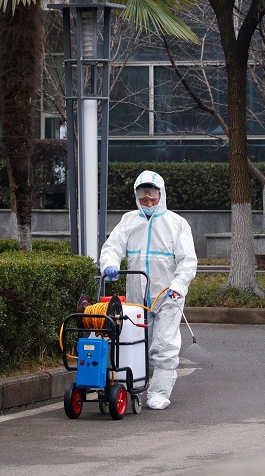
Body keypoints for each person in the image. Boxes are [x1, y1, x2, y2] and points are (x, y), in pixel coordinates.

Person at [99, 170, 198, 410]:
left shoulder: (176, 224)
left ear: (161, 194)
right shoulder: (129, 221)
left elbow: (188, 261)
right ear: (136, 196)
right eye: (143, 197)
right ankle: (134, 387)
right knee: (135, 343)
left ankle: (159, 393)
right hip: (136, 298)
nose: (149, 201)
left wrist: (178, 285)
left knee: (163, 345)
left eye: (153, 196)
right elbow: (113, 246)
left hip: (167, 296)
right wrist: (109, 264)